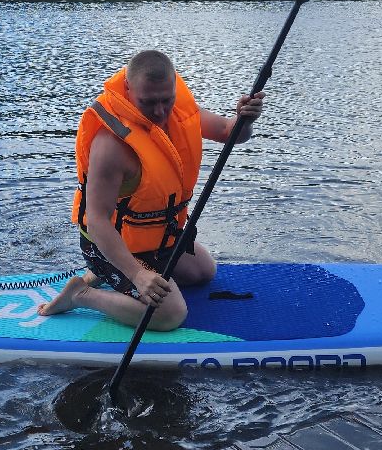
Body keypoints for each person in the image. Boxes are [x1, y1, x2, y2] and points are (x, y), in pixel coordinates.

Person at [38, 50, 264, 330]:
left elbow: (230, 132)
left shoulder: (179, 113)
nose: (160, 111)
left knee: (204, 272)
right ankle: (82, 294)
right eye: (148, 103)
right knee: (169, 314)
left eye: (166, 100)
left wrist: (245, 120)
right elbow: (97, 222)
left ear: (174, 87)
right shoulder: (111, 146)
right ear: (129, 90)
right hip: (108, 244)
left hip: (157, 240)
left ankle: (101, 275)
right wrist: (137, 274)